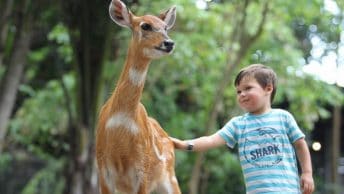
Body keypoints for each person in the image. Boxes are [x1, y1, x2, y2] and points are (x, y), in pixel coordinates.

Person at [171, 64, 315, 194]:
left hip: (287, 190)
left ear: (268, 88)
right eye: (238, 92)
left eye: (248, 88)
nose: (242, 94)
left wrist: (307, 173)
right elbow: (211, 140)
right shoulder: (238, 124)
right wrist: (184, 144)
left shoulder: (283, 117)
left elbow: (300, 145)